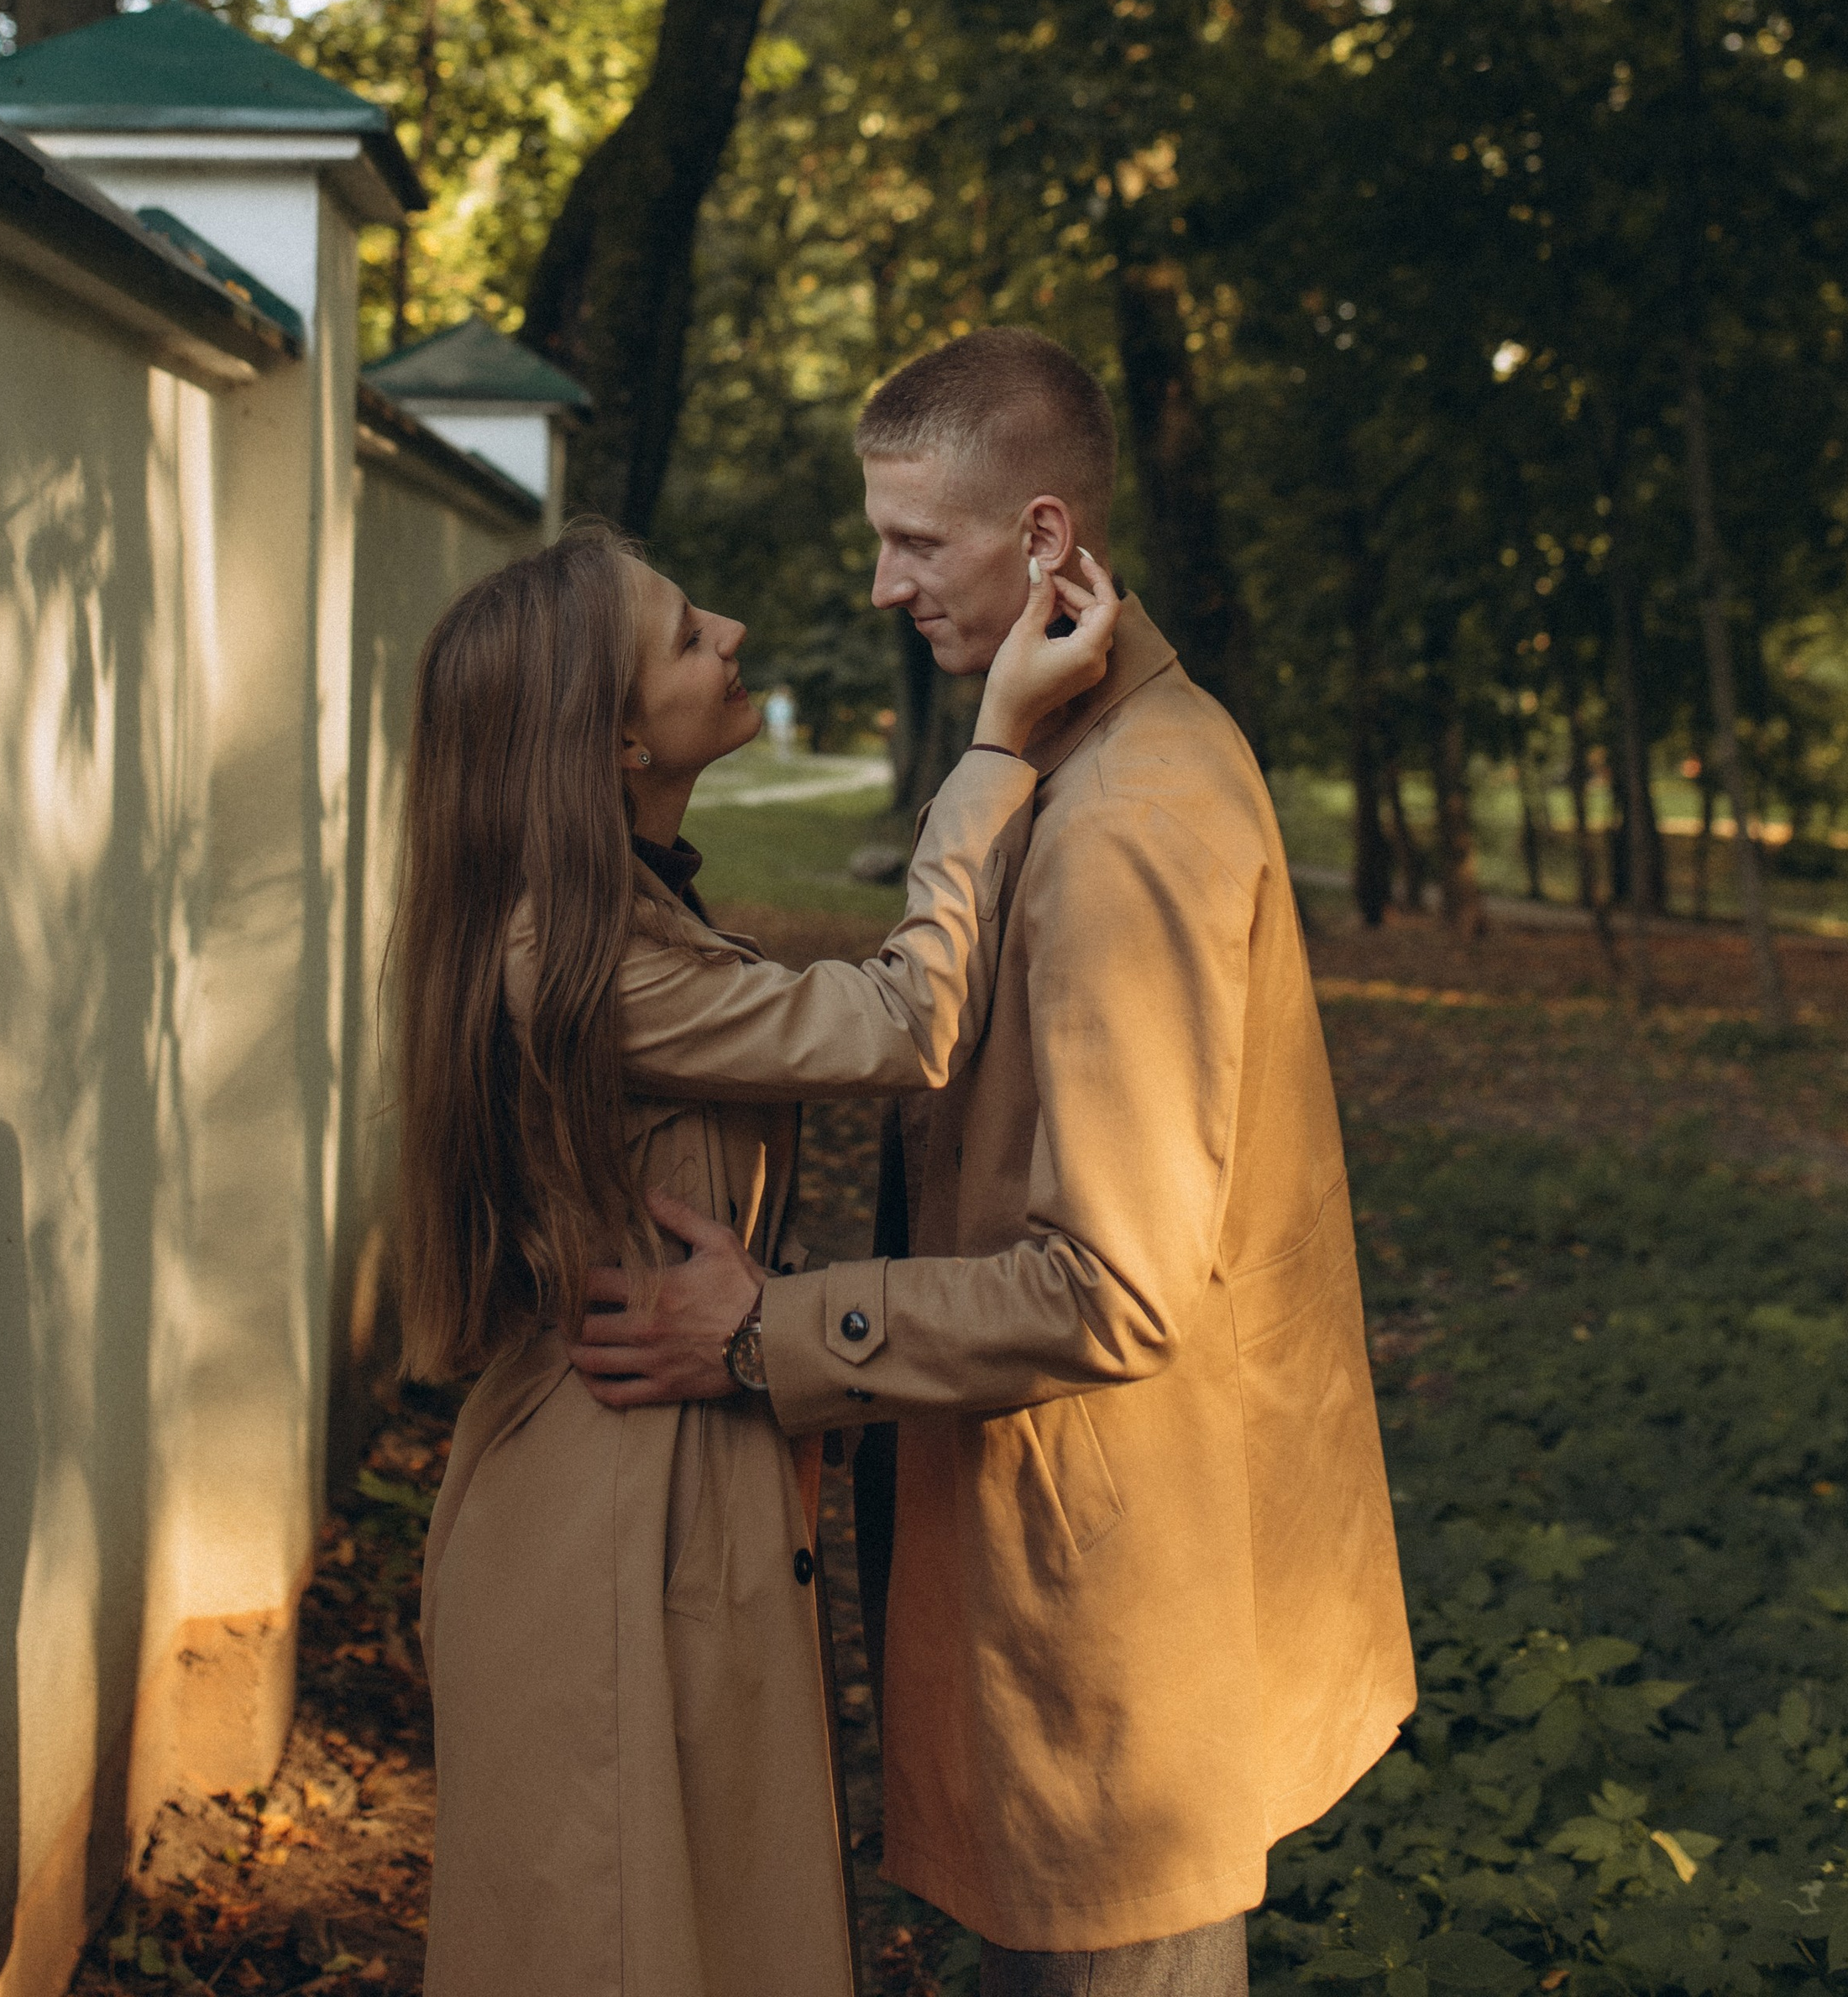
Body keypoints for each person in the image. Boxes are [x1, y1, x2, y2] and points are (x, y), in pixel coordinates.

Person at [570, 330, 1417, 1997]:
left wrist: (763, 1333)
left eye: (914, 542)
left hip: (1125, 1630)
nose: (881, 585)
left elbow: (1112, 1287)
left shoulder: (1124, 819)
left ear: (1039, 541)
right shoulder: (1062, 763)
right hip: (1079, 1587)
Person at [396, 514, 1118, 1997]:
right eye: (682, 634)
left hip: (656, 1482)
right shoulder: (574, 959)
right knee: (624, 1943)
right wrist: (993, 754)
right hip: (604, 1522)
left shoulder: (627, 908)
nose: (729, 633)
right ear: (603, 739)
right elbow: (901, 1024)